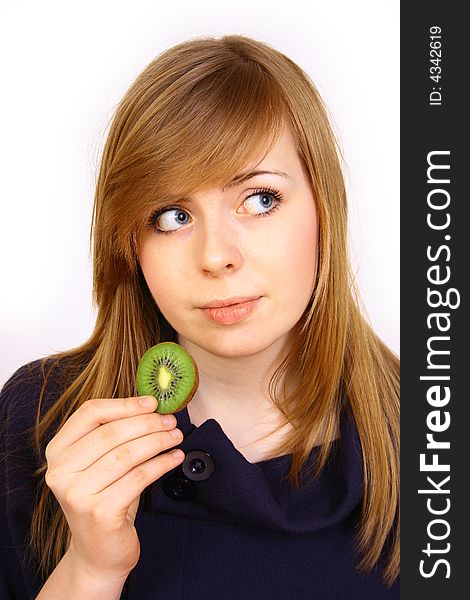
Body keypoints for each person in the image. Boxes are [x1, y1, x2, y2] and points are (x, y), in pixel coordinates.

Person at [0, 34, 399, 599]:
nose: (216, 256)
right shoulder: (38, 418)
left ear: (323, 209)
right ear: (130, 243)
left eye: (260, 199)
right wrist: (90, 569)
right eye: (171, 215)